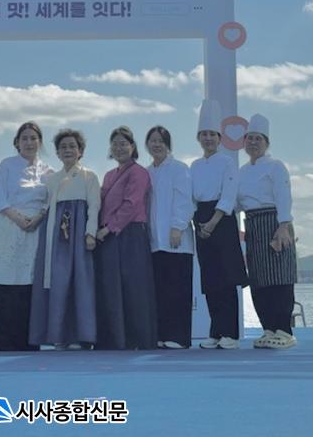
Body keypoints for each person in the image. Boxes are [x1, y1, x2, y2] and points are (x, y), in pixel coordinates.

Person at [29, 129, 100, 349]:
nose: (68, 150)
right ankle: (59, 335)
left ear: (80, 151)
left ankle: (80, 336)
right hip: (55, 236)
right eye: (63, 147)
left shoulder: (89, 176)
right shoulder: (52, 179)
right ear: (57, 153)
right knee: (57, 282)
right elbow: (46, 207)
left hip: (78, 235)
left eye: (72, 146)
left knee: (80, 281)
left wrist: (90, 233)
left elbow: (94, 206)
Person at [0, 122, 51, 351]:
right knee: (8, 283)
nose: (29, 142)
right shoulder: (7, 165)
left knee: (30, 285)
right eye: (24, 138)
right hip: (10, 225)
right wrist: (18, 218)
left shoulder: (48, 171)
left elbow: (49, 201)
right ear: (17, 142)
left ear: (40, 142)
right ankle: (5, 341)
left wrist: (38, 217)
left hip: (36, 230)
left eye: (33, 138)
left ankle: (30, 341)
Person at [190, 101, 248, 350]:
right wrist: (198, 223)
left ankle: (230, 333)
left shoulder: (226, 162)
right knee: (210, 278)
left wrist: (213, 222)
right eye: (204, 134)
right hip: (201, 219)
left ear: (219, 138)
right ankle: (215, 331)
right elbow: (191, 197)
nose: (208, 139)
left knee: (226, 277)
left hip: (222, 220)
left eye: (212, 134)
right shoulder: (194, 165)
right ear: (198, 138)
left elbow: (229, 195)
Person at [237, 114, 297, 349]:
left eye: (258, 139)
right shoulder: (241, 171)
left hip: (274, 222)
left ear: (267, 143)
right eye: (250, 138)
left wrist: (283, 225)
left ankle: (284, 331)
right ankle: (268, 328)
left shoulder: (276, 166)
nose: (253, 142)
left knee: (280, 277)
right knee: (259, 279)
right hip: (252, 224)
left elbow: (284, 196)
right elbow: (236, 202)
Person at [95, 126, 157, 350]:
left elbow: (131, 204)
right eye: (115, 144)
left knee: (133, 287)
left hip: (130, 234)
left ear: (132, 147)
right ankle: (115, 339)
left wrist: (109, 228)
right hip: (110, 236)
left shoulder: (139, 173)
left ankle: (137, 338)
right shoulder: (109, 175)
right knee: (112, 287)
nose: (119, 148)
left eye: (123, 143)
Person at [145, 125, 194, 349]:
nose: (156, 145)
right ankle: (163, 334)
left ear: (168, 145)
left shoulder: (179, 168)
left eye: (161, 141)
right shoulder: (147, 172)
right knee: (160, 290)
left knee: (178, 289)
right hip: (155, 241)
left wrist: (177, 227)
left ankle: (179, 337)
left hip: (177, 240)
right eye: (153, 141)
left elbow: (184, 200)